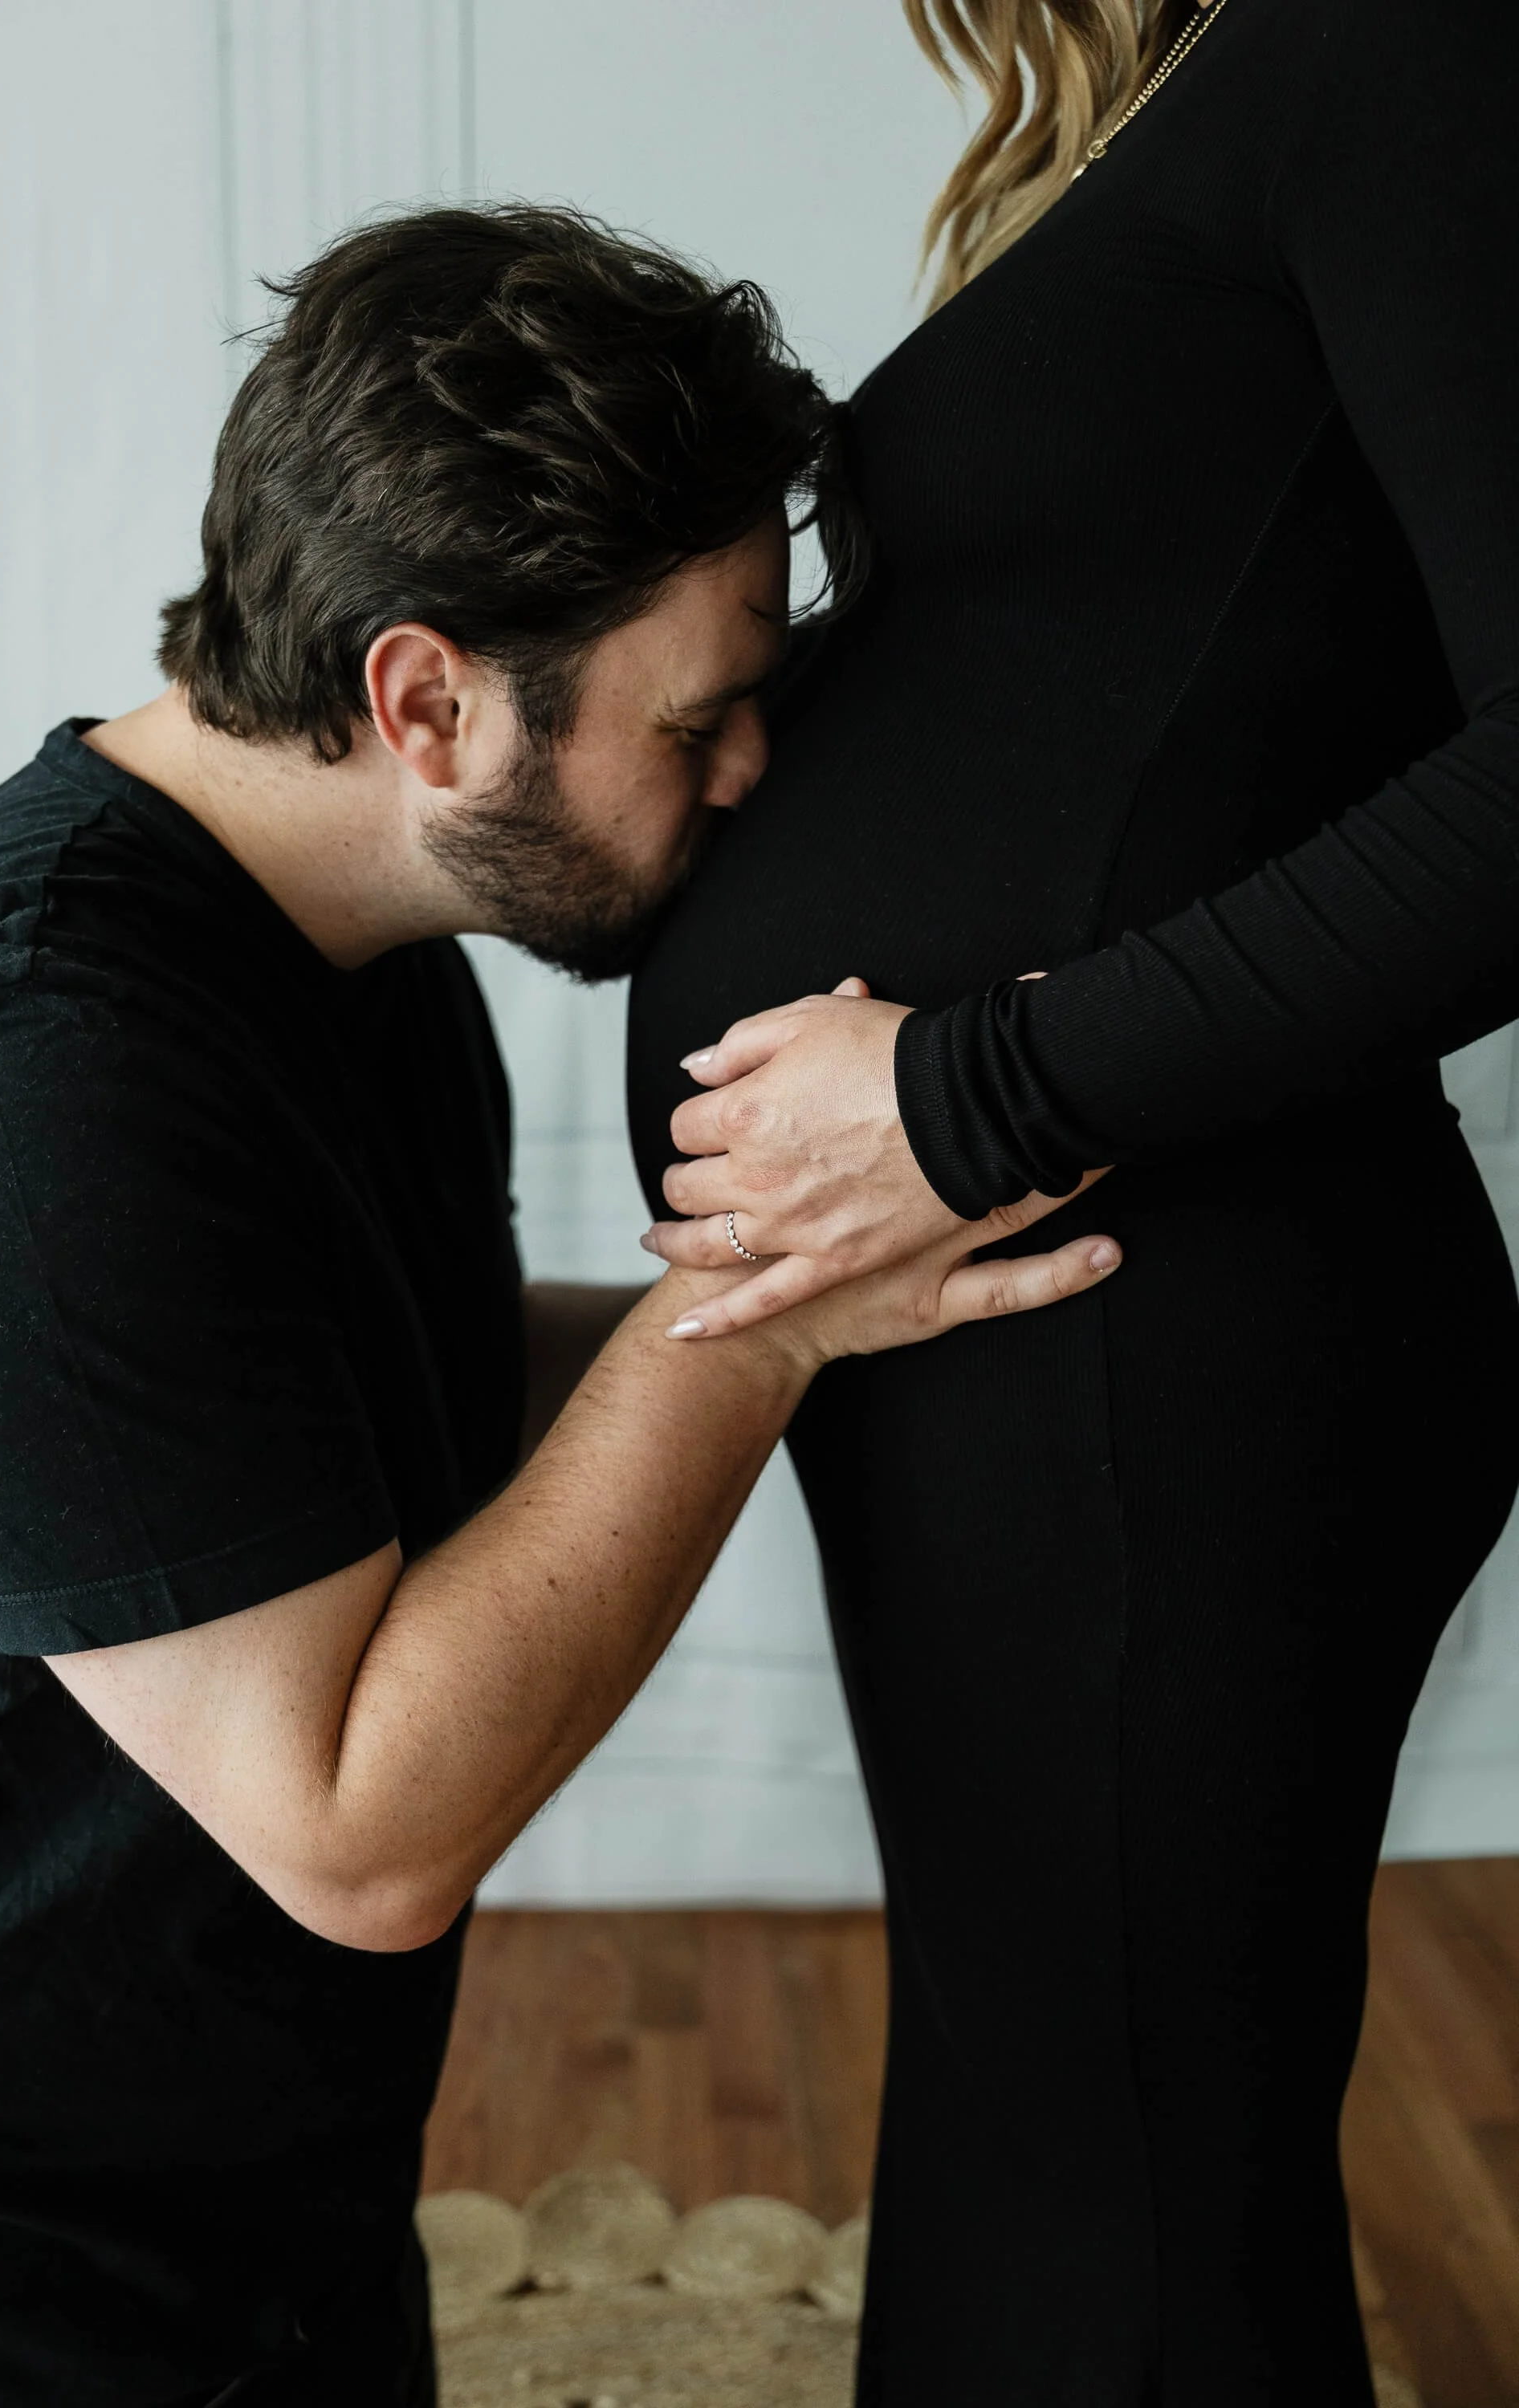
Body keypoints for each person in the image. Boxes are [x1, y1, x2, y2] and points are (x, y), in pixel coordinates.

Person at [0, 205, 1120, 2408]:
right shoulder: (34, 1074)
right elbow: (357, 1832)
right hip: (6, 2277)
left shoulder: (342, 955)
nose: (751, 771)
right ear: (426, 700)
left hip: (269, 2223)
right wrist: (767, 1299)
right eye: (706, 716)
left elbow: (376, 1385)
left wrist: (876, 1290)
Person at [628, 0, 1519, 2399]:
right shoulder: (1212, 115)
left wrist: (977, 1099)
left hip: (1165, 1317)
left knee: (1115, 2189)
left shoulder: (1399, 57)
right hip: (1044, 1334)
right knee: (1063, 2134)